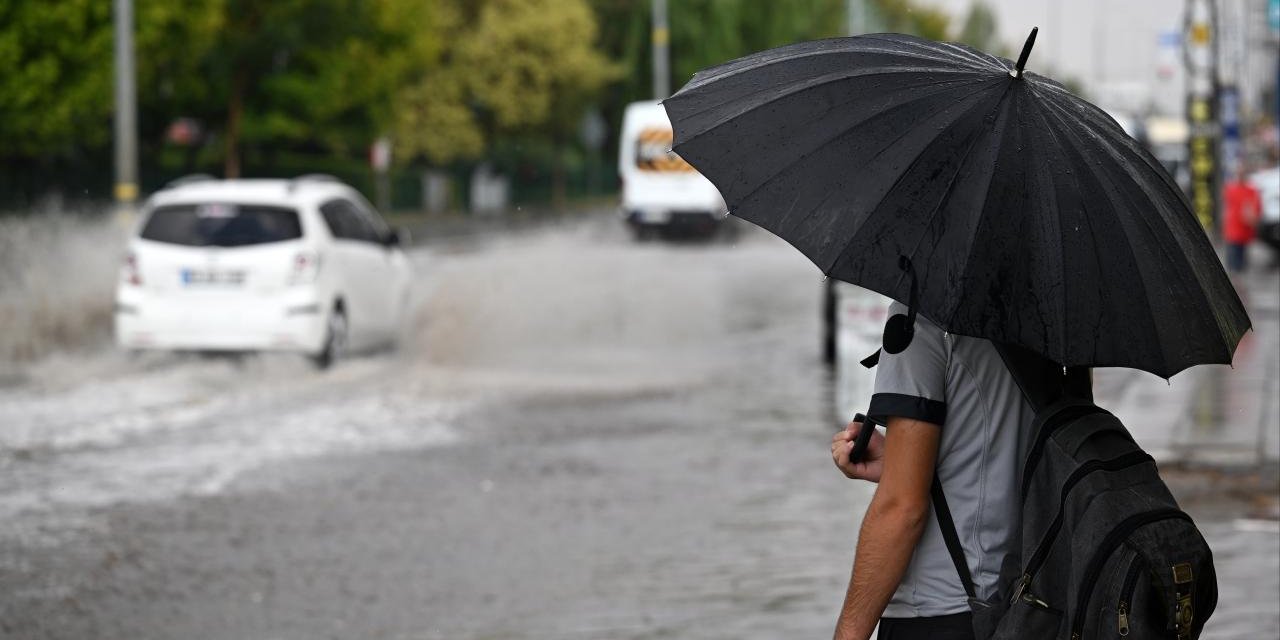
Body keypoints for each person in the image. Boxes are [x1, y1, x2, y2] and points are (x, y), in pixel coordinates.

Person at [827, 302, 1037, 640]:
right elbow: (1007, 455)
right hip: (1025, 603)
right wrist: (900, 464)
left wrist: (848, 634)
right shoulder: (1043, 320)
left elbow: (901, 509)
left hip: (936, 612)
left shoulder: (919, 321)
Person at [1223, 165, 1262, 273]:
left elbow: (1257, 209)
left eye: (1242, 174)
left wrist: (1254, 217)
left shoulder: (1251, 191)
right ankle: (1235, 278)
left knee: (1242, 257)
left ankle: (1238, 279)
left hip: (1245, 229)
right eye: (1239, 174)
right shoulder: (1230, 189)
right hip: (1233, 228)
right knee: (1234, 257)